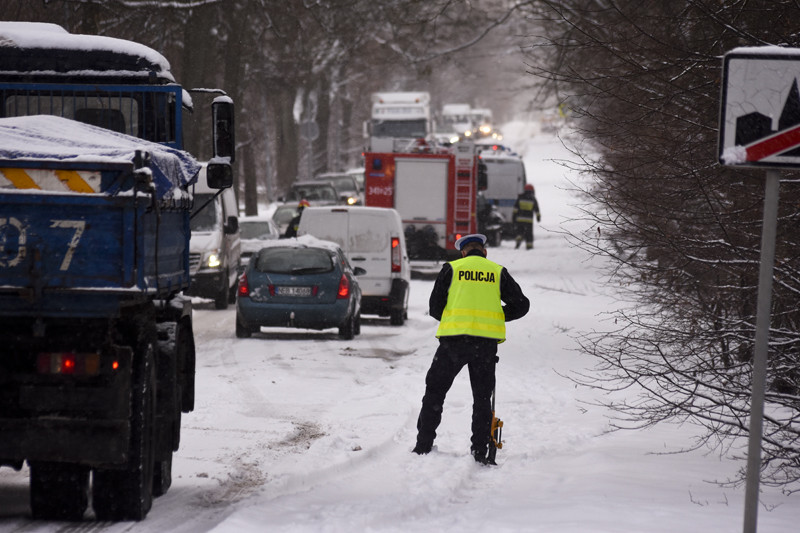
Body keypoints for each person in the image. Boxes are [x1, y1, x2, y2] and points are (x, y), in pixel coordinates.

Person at [413, 233, 530, 465]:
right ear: (484, 252)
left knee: (435, 393)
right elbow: (522, 305)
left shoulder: (452, 269)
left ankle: (423, 446)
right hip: (485, 346)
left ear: (463, 252)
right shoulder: (497, 272)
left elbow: (435, 308)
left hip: (452, 343)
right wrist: (497, 316)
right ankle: (479, 451)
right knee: (482, 398)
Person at [512, 184, 541, 250]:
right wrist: (538, 217)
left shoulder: (520, 197)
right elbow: (536, 209)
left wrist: (514, 217)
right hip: (528, 220)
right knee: (529, 234)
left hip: (519, 219)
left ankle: (518, 240)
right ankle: (529, 246)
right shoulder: (533, 199)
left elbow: (515, 209)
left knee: (519, 231)